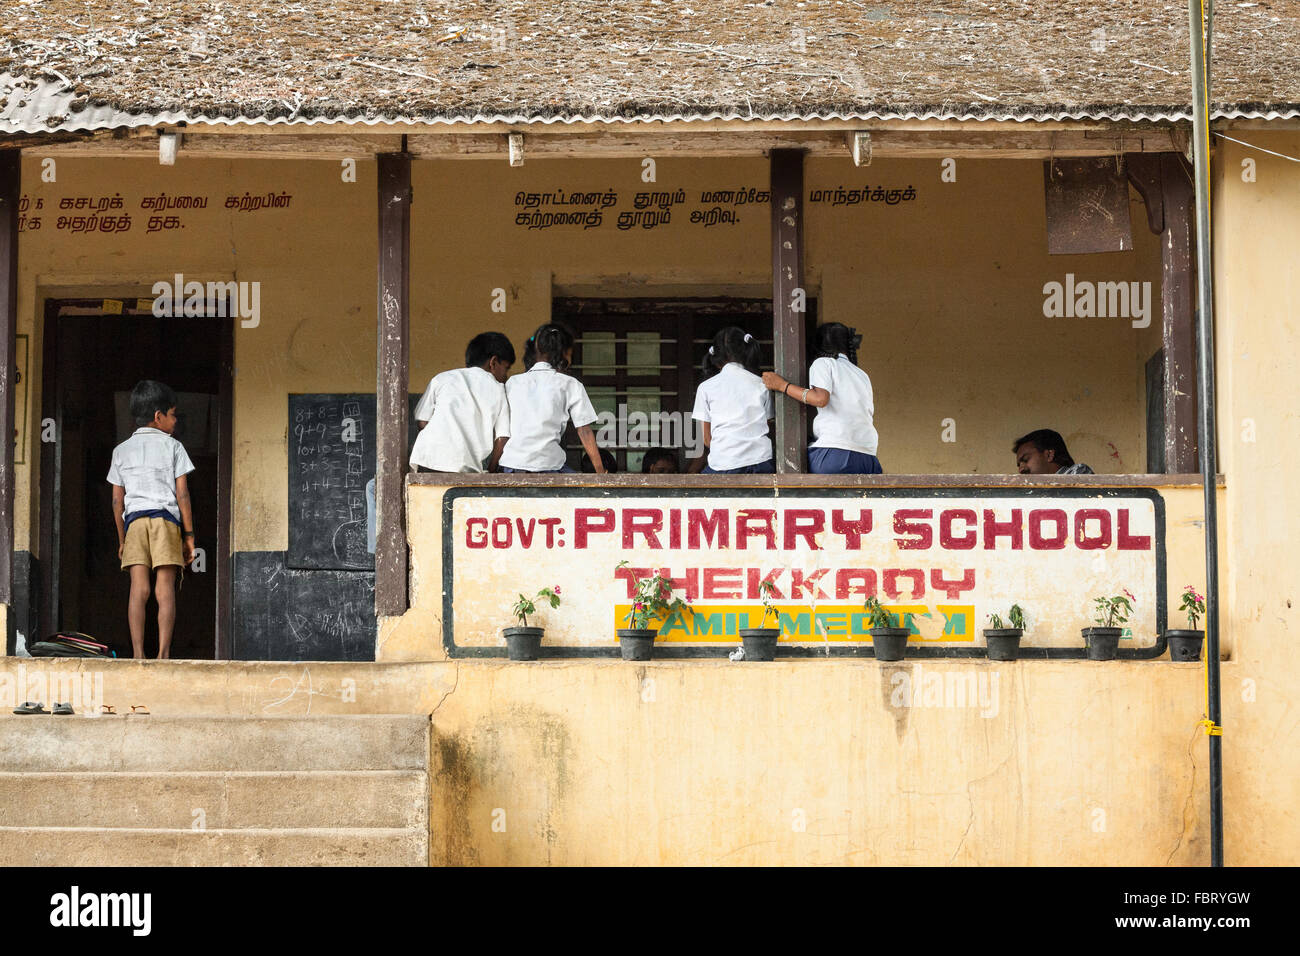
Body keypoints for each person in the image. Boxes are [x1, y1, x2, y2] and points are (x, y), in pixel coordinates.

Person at [107, 380, 196, 660]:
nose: (175, 420)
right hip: (165, 521)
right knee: (164, 588)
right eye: (172, 414)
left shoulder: (121, 450)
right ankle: (163, 655)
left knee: (139, 589)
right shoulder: (173, 447)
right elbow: (182, 493)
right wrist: (189, 536)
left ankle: (137, 655)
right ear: (158, 416)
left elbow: (116, 501)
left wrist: (122, 539)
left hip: (134, 523)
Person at [762, 322, 882, 474]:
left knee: (791, 465)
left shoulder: (823, 363)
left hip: (835, 455)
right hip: (868, 458)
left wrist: (782, 386)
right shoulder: (861, 374)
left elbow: (820, 399)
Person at [499, 324, 606, 474]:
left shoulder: (512, 383)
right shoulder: (570, 384)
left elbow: (502, 431)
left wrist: (492, 469)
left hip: (513, 465)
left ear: (533, 351)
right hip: (549, 465)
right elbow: (584, 431)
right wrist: (601, 472)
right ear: (563, 353)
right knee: (579, 491)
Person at [410, 332, 514, 473]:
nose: (506, 376)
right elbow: (502, 438)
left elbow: (422, 420)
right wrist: (491, 471)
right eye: (506, 368)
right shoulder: (499, 389)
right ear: (493, 363)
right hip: (464, 468)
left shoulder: (442, 378)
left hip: (427, 459)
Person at [690, 327, 774, 474]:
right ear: (747, 352)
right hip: (760, 464)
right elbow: (767, 428)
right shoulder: (762, 384)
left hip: (722, 465)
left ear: (715, 356)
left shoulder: (705, 387)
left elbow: (707, 439)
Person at [1013, 429, 1095, 474]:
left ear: (1049, 455)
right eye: (1019, 465)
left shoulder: (1079, 473)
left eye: (1026, 460)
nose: (1021, 470)